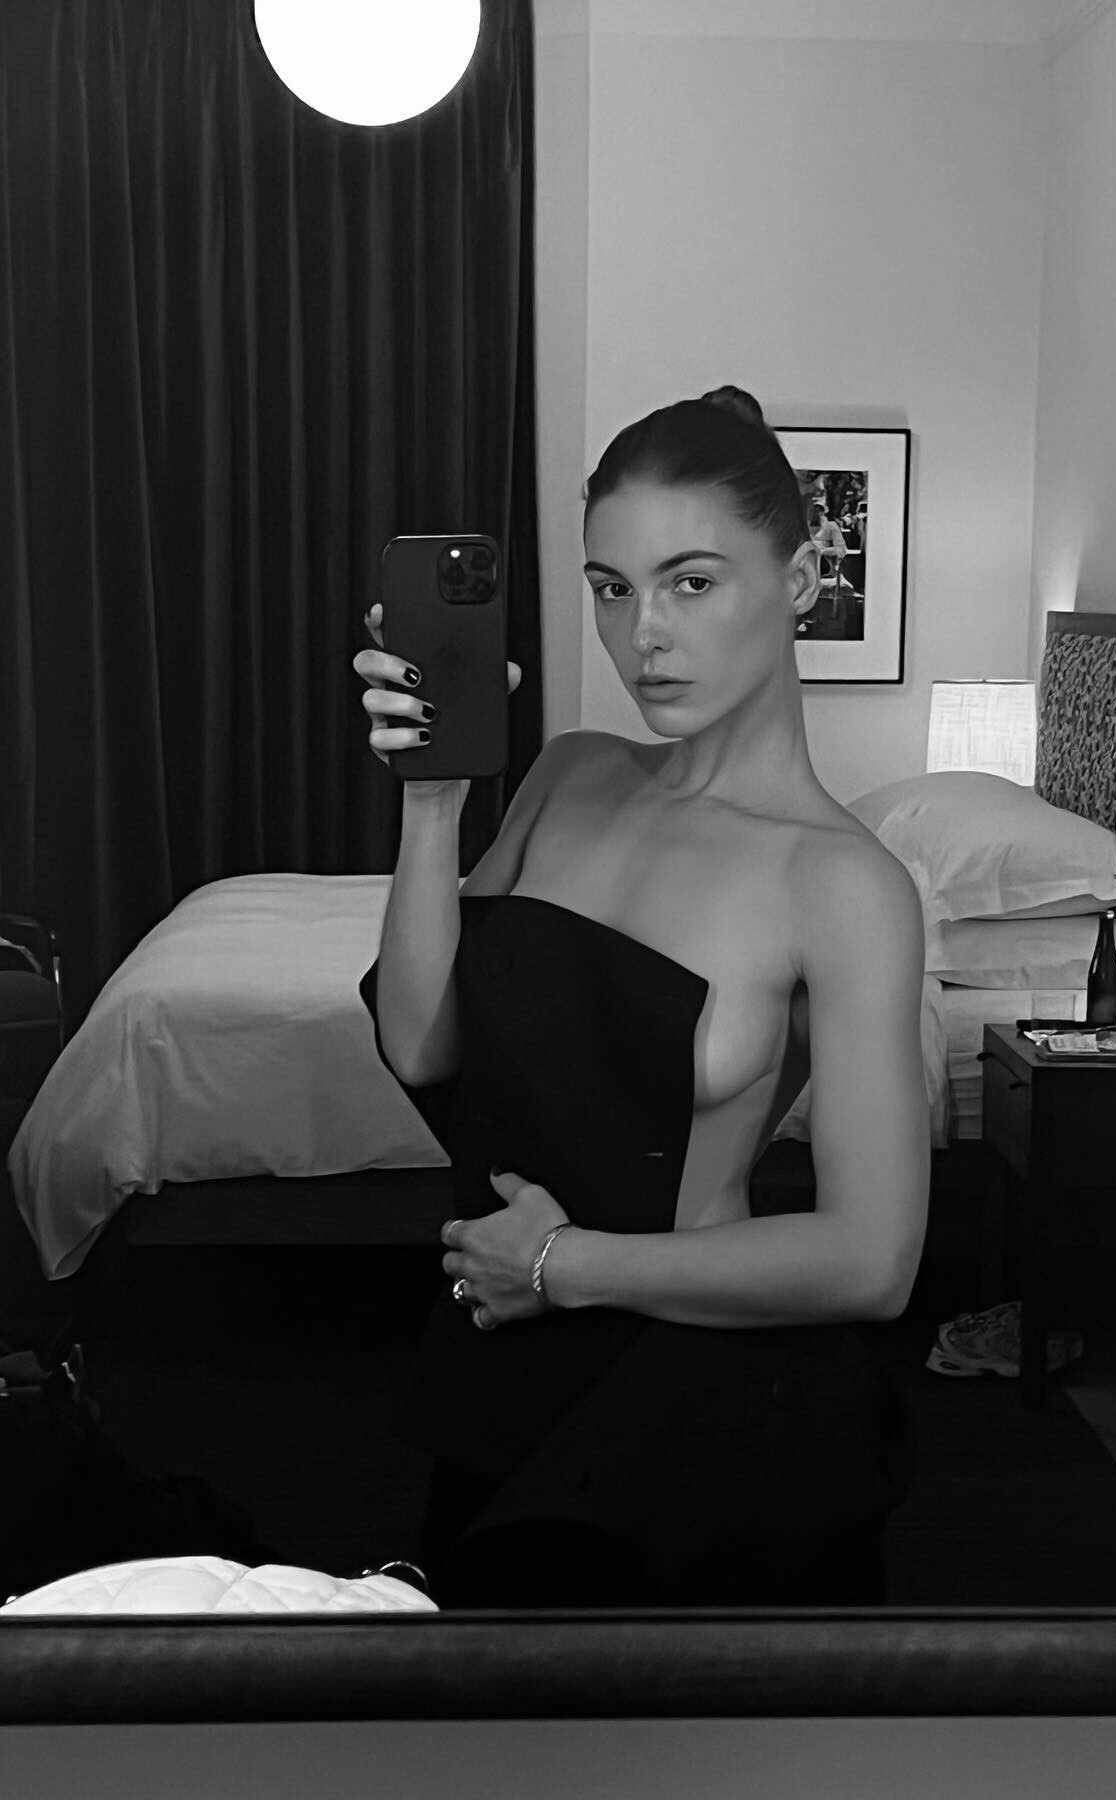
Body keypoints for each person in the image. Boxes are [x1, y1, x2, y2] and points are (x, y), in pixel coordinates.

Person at [350, 385, 927, 1608]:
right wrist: (432, 804)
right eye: (611, 589)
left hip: (691, 1404)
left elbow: (873, 1258)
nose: (642, 635)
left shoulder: (844, 884)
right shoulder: (569, 774)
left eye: (691, 582)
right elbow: (421, 1043)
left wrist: (562, 1265)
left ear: (802, 577)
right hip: (497, 1367)